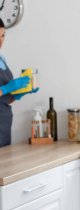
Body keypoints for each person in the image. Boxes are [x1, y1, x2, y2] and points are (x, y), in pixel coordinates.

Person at [0, 18, 38, 148]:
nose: (1, 41)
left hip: (4, 124)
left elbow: (5, 100)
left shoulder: (2, 59)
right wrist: (7, 88)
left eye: (3, 35)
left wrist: (17, 95)